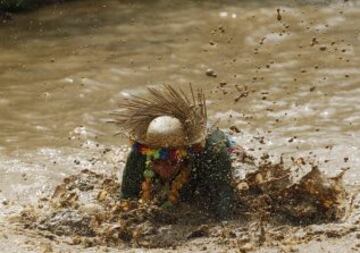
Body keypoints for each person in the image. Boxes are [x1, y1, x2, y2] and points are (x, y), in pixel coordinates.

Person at [114, 85, 235, 219]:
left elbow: (224, 203)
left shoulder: (212, 154)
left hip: (220, 146)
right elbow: (126, 198)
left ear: (184, 154)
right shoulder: (140, 153)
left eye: (171, 162)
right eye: (157, 162)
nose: (164, 169)